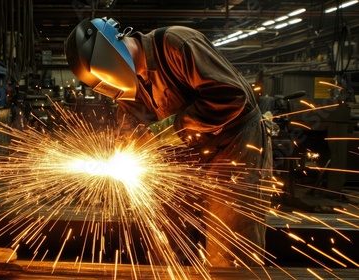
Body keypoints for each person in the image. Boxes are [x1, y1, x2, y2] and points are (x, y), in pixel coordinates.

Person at [65, 17, 273, 267]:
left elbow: (230, 97)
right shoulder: (129, 83)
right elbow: (131, 123)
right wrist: (126, 146)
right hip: (187, 151)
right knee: (168, 236)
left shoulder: (177, 44)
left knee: (230, 245)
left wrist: (160, 132)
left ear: (108, 54)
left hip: (235, 144)